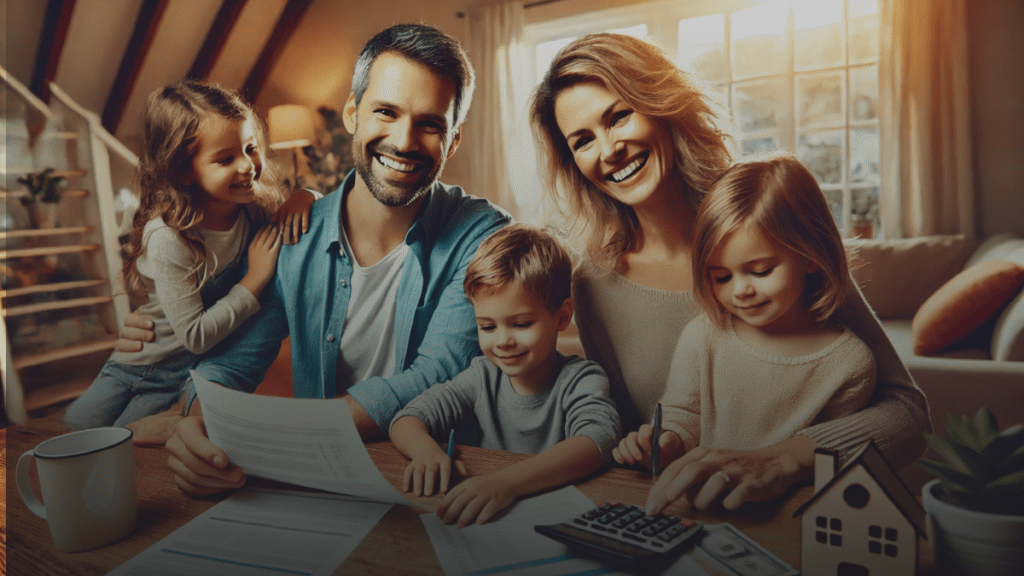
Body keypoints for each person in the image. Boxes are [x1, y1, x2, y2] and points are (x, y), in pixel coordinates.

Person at [530, 33, 929, 513]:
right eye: (583, 140)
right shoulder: (592, 284)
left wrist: (782, 461)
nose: (609, 149)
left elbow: (908, 415)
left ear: (662, 106)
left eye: (620, 116)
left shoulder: (765, 220)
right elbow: (637, 433)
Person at [120, 23, 511, 496]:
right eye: (386, 112)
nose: (404, 141)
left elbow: (435, 375)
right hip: (317, 481)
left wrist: (250, 430)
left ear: (452, 141)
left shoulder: (484, 236)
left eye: (430, 124)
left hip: (443, 481)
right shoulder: (293, 235)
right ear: (352, 113)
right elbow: (232, 363)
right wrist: (198, 426)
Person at [62, 79, 311, 430]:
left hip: (181, 375)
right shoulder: (169, 236)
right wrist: (254, 280)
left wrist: (306, 194)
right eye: (225, 158)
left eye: (251, 147)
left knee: (124, 443)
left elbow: (303, 211)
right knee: (73, 434)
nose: (248, 166)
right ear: (183, 171)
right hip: (138, 363)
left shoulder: (253, 210)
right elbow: (195, 335)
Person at [613, 155, 876, 483]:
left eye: (761, 270)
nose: (740, 291)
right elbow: (682, 418)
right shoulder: (703, 336)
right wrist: (664, 443)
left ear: (810, 256)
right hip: (703, 512)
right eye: (721, 277)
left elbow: (827, 468)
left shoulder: (850, 365)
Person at [390, 224, 620, 527]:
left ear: (562, 316)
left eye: (521, 324)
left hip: (560, 521)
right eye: (487, 327)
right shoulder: (481, 376)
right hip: (489, 520)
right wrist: (425, 452)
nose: (502, 341)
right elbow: (406, 419)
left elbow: (596, 441)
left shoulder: (582, 379)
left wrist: (506, 484)